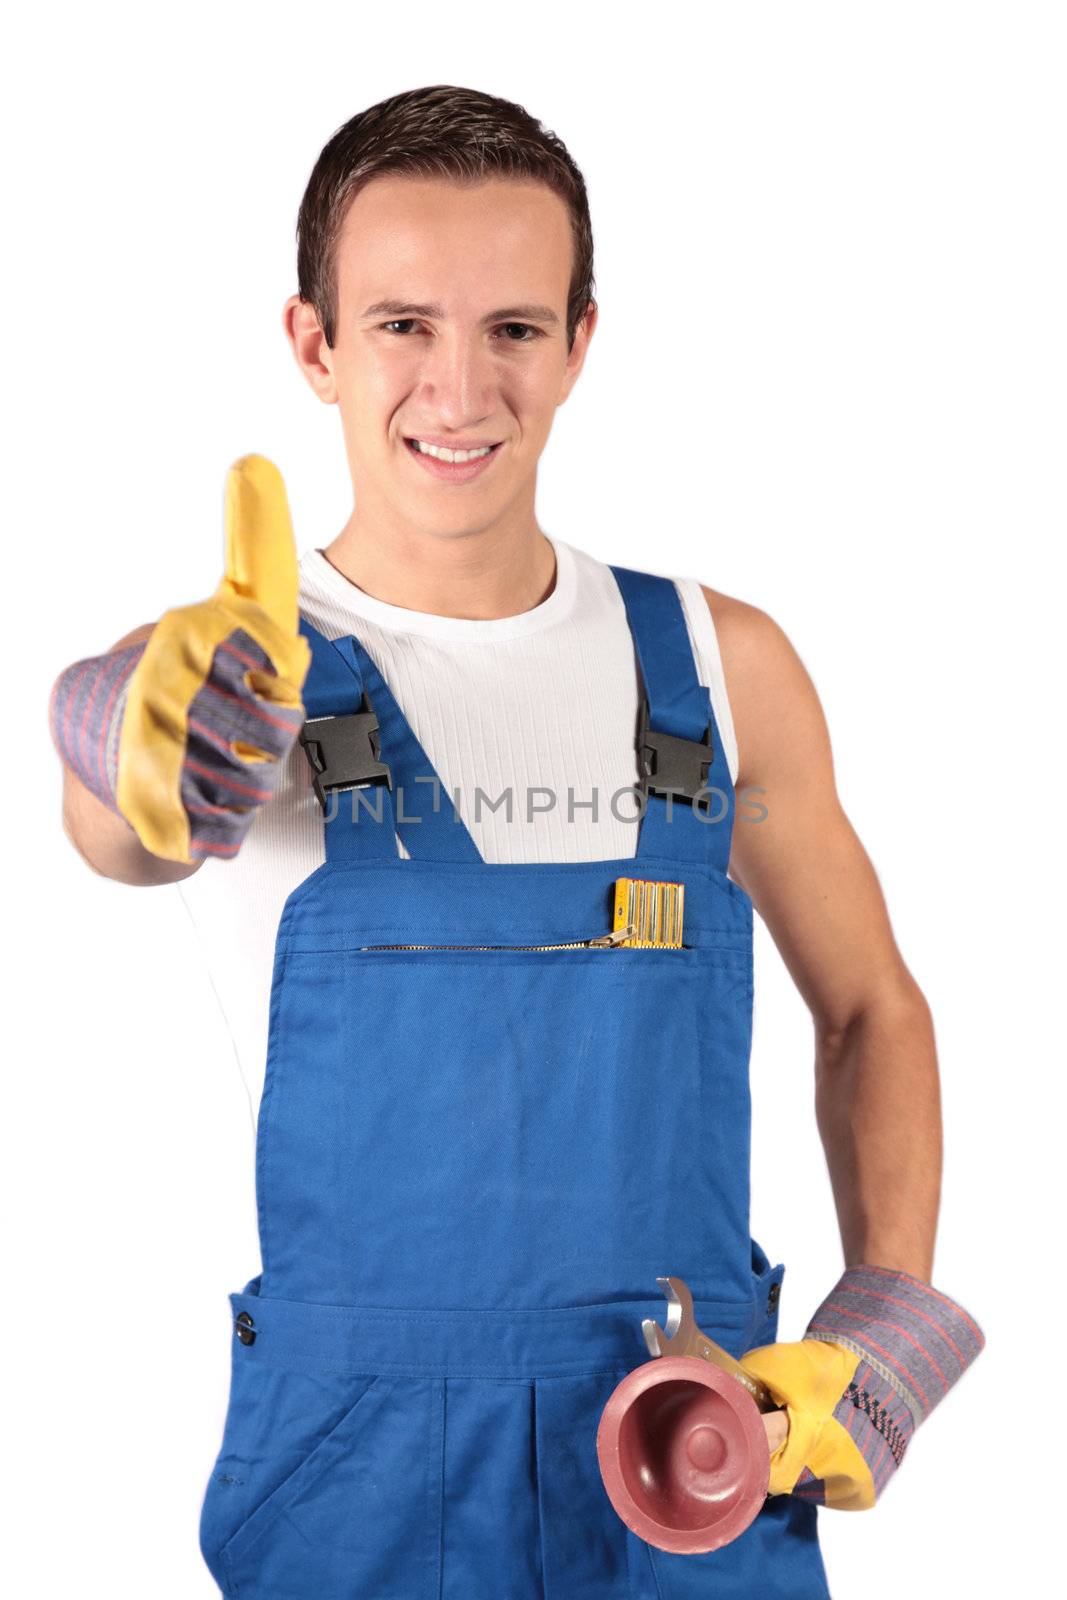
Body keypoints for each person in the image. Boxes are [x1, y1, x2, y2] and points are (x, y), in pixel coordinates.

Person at [48, 83, 983, 1598]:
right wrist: (123, 732)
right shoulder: (232, 676)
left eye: (514, 330)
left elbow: (872, 1009)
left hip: (692, 1446)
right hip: (355, 1474)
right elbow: (119, 827)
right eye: (404, 325)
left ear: (581, 341)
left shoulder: (719, 663)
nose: (460, 388)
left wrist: (885, 1323)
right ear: (316, 346)